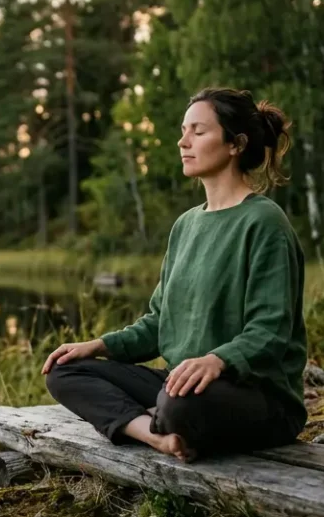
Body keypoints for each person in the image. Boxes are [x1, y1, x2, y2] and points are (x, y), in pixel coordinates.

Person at [41, 87, 308, 463]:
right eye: (184, 131)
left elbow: (271, 330)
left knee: (179, 403)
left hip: (256, 397)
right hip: (180, 384)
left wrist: (216, 360)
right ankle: (156, 436)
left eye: (198, 132)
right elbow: (157, 324)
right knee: (65, 371)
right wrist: (99, 346)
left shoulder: (265, 223)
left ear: (236, 144)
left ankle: (161, 419)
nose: (183, 142)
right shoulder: (185, 225)